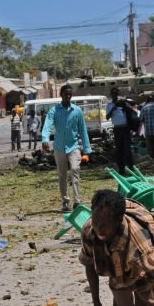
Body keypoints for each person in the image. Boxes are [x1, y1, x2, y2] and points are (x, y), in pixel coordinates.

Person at [42, 84, 93, 212]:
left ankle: (77, 201)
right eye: (66, 94)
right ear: (61, 94)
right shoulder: (54, 110)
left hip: (73, 146)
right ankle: (66, 202)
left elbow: (83, 130)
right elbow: (48, 124)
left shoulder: (77, 111)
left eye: (70, 94)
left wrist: (87, 150)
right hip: (59, 148)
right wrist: (45, 139)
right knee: (62, 175)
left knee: (75, 170)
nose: (68, 96)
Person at [107, 87, 136, 174]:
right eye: (113, 93)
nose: (115, 95)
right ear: (111, 95)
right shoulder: (109, 105)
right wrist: (114, 107)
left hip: (125, 128)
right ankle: (121, 170)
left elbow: (133, 109)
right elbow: (107, 117)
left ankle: (131, 169)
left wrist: (125, 106)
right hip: (117, 129)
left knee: (127, 150)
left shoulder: (123, 102)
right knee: (119, 150)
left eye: (116, 93)